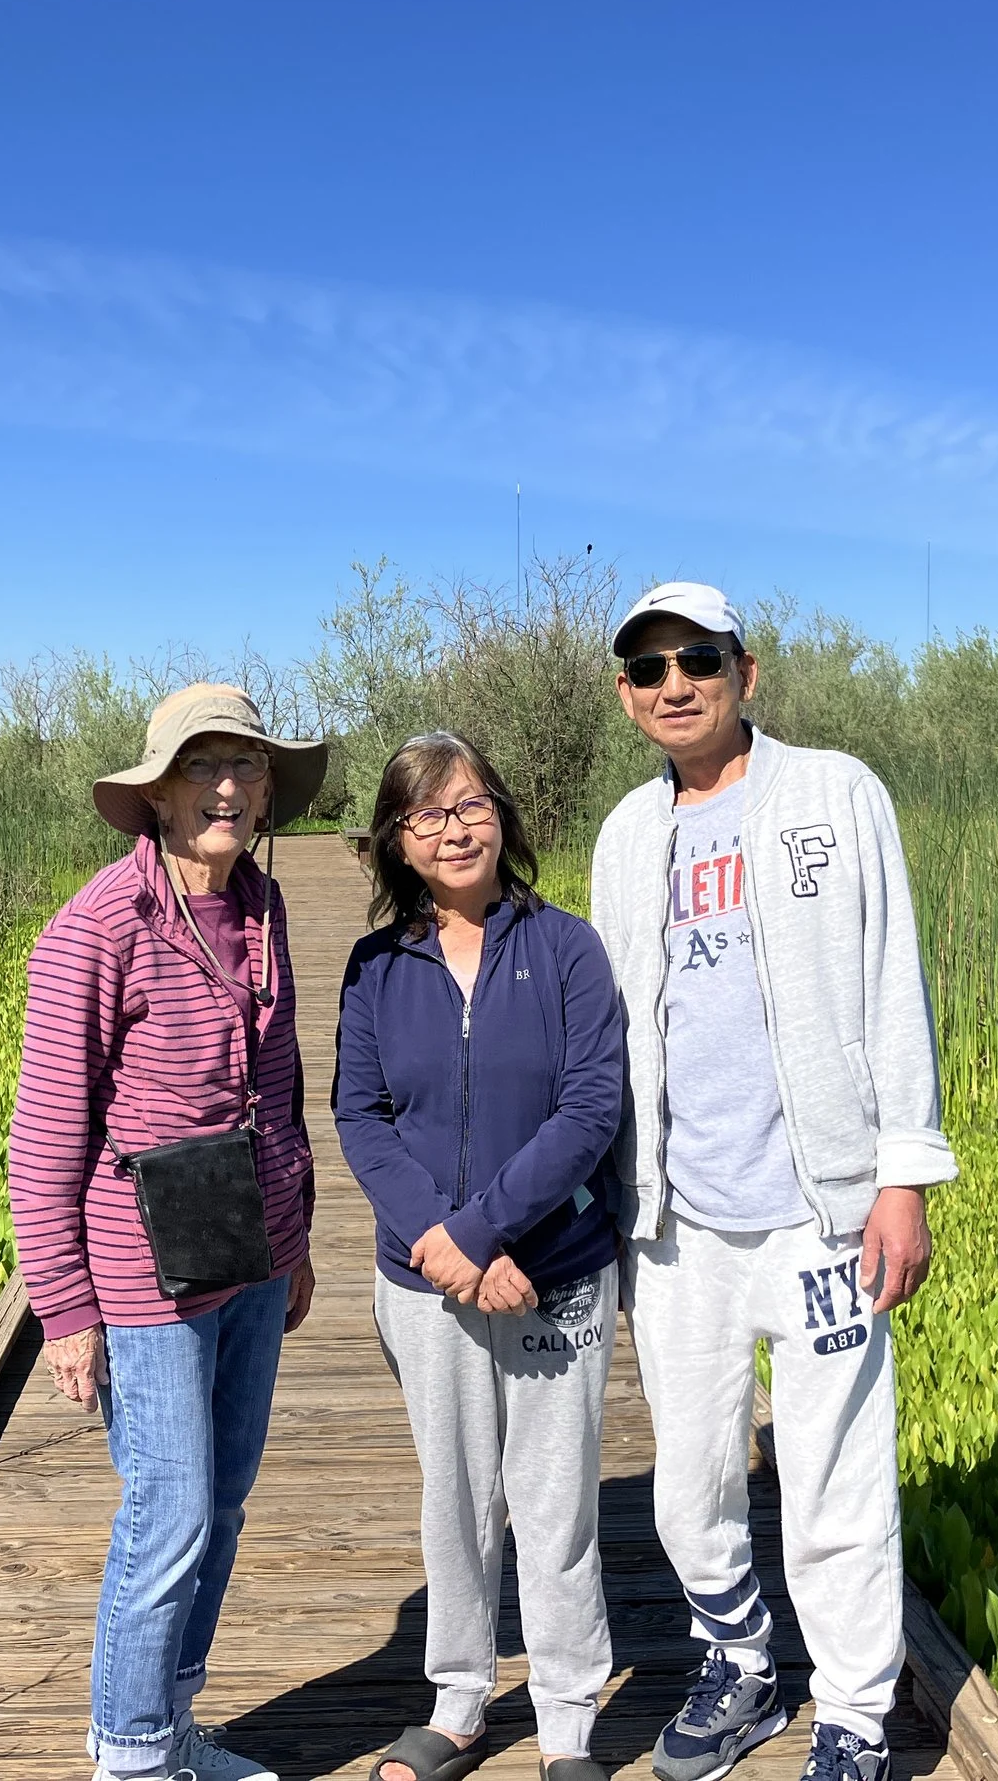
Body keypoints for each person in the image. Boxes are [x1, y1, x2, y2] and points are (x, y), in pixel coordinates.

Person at [589, 585, 955, 1781]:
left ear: (748, 672)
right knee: (687, 1481)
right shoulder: (626, 836)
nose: (673, 683)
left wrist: (900, 1175)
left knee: (836, 1476)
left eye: (697, 659)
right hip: (675, 1223)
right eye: (647, 667)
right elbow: (611, 1034)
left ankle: (851, 1715)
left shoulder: (833, 794)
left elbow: (889, 982)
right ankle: (737, 1659)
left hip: (819, 1214)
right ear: (626, 692)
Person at [10, 682, 328, 1781]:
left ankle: (174, 1721)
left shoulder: (264, 906)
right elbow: (47, 1137)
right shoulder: (96, 928)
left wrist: (294, 1241)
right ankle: (131, 1754)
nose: (229, 787)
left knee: (226, 1505)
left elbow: (278, 1087)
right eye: (204, 766)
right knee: (170, 1512)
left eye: (245, 765)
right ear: (157, 793)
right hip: (145, 1271)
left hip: (250, 1252)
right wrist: (64, 1311)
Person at [333, 732, 628, 1781]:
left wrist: (485, 1231)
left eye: (470, 806)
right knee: (453, 1493)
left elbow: (592, 1105)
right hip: (424, 1281)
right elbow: (360, 1118)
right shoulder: (375, 969)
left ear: (503, 817)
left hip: (556, 1264)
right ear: (397, 844)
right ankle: (457, 1701)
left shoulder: (568, 950)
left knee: (554, 1499)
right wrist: (442, 1244)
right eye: (426, 814)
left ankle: (565, 1724)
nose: (452, 829)